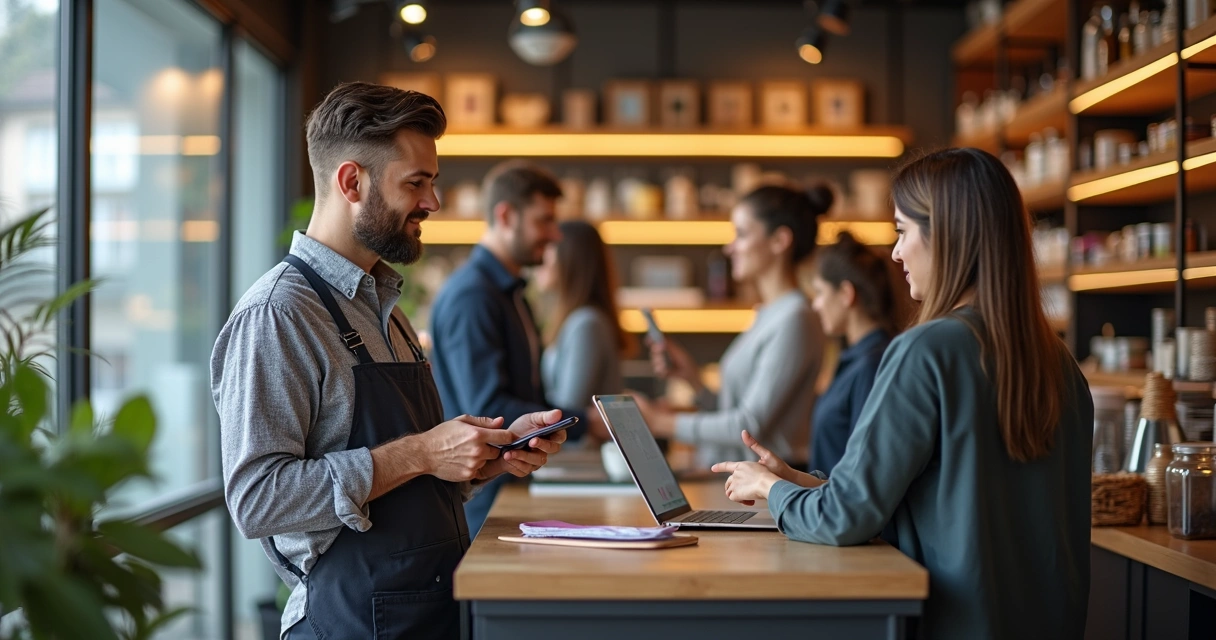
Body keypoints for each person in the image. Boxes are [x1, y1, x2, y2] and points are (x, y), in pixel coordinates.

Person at [212, 83, 567, 640]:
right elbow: (259, 499)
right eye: (416, 183)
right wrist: (424, 449)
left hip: (428, 610)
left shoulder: (387, 309)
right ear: (352, 181)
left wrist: (485, 457)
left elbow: (414, 472)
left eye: (433, 182)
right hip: (348, 623)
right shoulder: (278, 314)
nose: (433, 202)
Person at [712, 148, 1093, 640]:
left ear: (948, 236)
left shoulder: (925, 350)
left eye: (901, 232)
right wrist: (803, 483)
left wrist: (769, 489)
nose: (895, 254)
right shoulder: (1059, 362)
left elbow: (845, 519)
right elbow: (942, 497)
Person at [430, 161, 603, 538]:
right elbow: (489, 411)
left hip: (506, 492)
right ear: (506, 216)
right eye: (544, 221)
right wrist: (586, 421)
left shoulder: (510, 294)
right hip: (481, 504)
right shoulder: (473, 297)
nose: (555, 234)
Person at [634, 184, 829, 469]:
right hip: (747, 482)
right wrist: (693, 379)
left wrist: (659, 422)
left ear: (779, 240)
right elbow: (738, 413)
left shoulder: (795, 318)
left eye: (742, 234)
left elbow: (749, 426)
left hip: (772, 487)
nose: (730, 248)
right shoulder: (768, 314)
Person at [806, 231, 898, 475]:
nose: (816, 304)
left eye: (820, 292)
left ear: (846, 294)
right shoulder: (856, 359)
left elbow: (862, 472)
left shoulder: (871, 365)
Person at [534, 220, 634, 411]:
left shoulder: (586, 324)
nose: (539, 258)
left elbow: (569, 407)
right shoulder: (579, 320)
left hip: (579, 441)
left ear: (569, 258)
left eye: (547, 247)